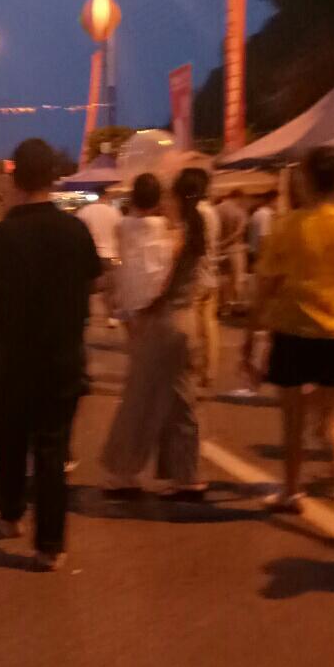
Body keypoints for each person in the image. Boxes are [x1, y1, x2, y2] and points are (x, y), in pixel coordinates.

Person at [0, 139, 101, 570]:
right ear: (53, 178)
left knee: (9, 442)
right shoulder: (75, 231)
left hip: (10, 357)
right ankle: (50, 545)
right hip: (62, 357)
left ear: (15, 180)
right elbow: (95, 282)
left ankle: (10, 515)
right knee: (52, 449)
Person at [243, 150, 334, 534]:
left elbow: (265, 287)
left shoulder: (287, 225)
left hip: (293, 329)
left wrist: (251, 334)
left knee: (292, 416)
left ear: (305, 179)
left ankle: (290, 490)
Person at [101, 168, 208, 502]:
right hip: (187, 322)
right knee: (179, 400)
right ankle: (186, 476)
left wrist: (138, 314)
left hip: (164, 323)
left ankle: (124, 472)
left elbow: (157, 285)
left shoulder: (176, 235)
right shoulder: (195, 229)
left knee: (140, 397)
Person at [115, 174, 173, 319]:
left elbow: (119, 257)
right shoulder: (163, 224)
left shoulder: (122, 224)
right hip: (157, 292)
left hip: (131, 290)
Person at [78, 191, 123, 326]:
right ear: (105, 196)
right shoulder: (114, 212)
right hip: (113, 255)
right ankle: (113, 316)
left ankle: (86, 316)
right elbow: (120, 232)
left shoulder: (85, 211)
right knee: (112, 286)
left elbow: (79, 233)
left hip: (91, 255)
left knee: (87, 287)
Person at [196, 181, 222, 388]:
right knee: (210, 325)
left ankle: (196, 369)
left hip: (197, 277)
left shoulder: (196, 213)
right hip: (211, 275)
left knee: (195, 327)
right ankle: (210, 371)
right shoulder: (212, 212)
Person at [216, 188, 249, 313]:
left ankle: (223, 306)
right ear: (239, 197)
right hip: (236, 250)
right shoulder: (240, 211)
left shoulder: (217, 209)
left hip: (220, 250)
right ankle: (236, 306)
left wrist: (220, 244)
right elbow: (239, 232)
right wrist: (227, 242)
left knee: (222, 279)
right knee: (237, 279)